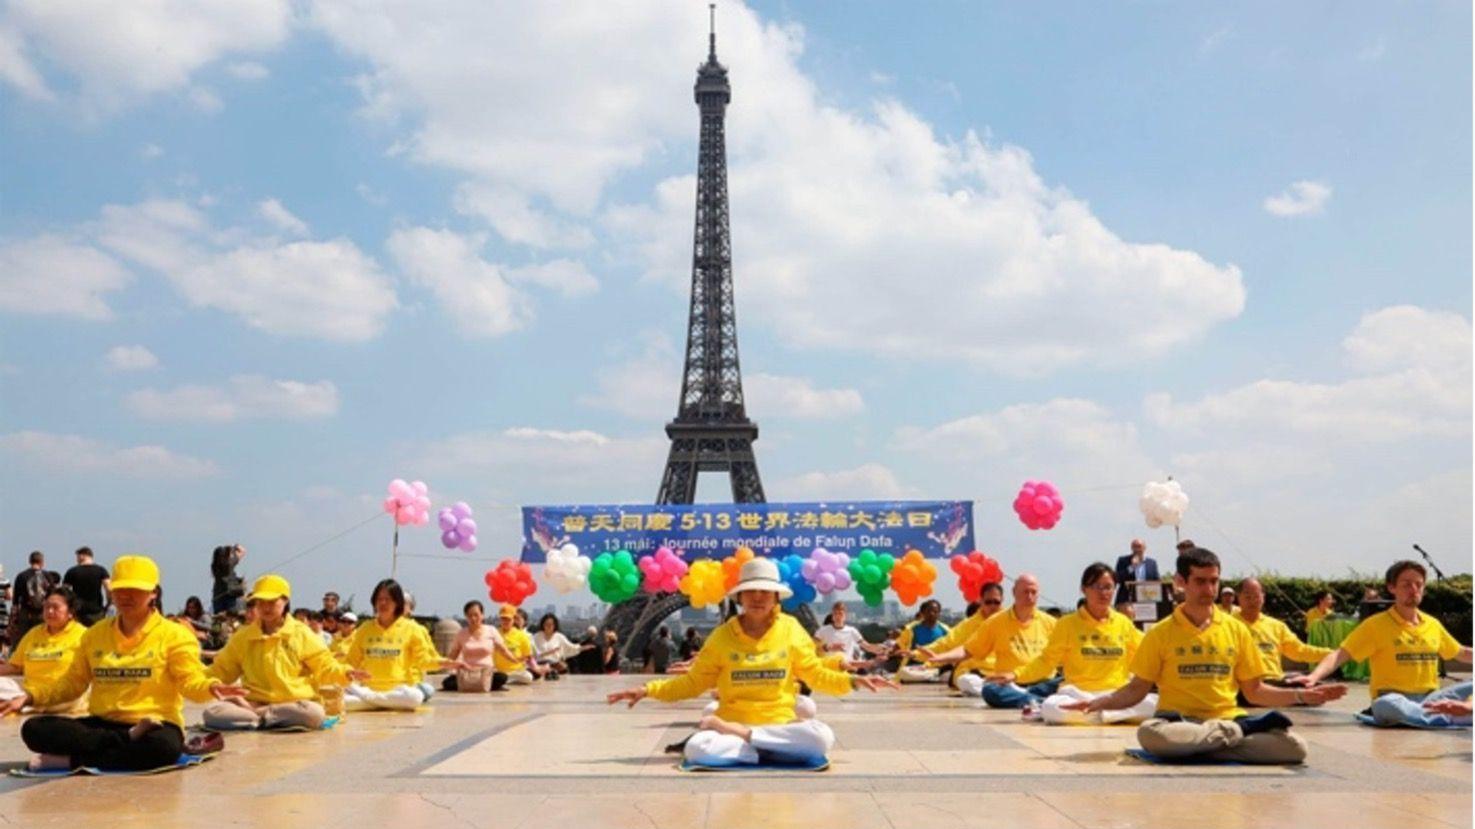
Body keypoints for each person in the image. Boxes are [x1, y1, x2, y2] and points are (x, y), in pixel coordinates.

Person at [1063, 548, 1346, 763]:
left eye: (1214, 581)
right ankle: (1225, 744)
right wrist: (1100, 702)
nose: (1209, 590)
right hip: (1178, 722)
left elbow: (1255, 691)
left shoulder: (1236, 630)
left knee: (1294, 747)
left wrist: (1301, 696)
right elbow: (1137, 689)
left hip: (1228, 718)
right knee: (1151, 736)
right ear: (1180, 582)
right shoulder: (1160, 633)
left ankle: (1208, 744)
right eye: (1200, 581)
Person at [607, 558, 896, 767]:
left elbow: (816, 674)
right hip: (739, 719)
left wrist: (853, 681)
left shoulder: (792, 629)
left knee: (822, 737)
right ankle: (767, 747)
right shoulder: (722, 637)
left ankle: (748, 739)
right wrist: (647, 689)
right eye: (751, 591)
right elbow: (693, 683)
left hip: (773, 723)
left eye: (765, 592)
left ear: (775, 597)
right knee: (697, 748)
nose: (758, 597)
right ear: (740, 597)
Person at [5, 555, 247, 771]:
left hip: (154, 724)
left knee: (163, 748)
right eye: (119, 589)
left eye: (135, 590)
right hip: (104, 724)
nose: (125, 596)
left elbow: (190, 680)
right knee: (34, 729)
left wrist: (211, 687)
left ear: (154, 593)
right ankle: (122, 742)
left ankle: (73, 760)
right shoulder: (94, 635)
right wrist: (29, 697)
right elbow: (72, 683)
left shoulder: (175, 635)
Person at [1296, 560, 1473, 728]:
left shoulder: (1432, 624)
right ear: (1392, 588)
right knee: (1386, 705)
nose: (1414, 590)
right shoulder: (1376, 625)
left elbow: (1462, 653)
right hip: (1393, 699)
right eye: (1406, 584)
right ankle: (1453, 717)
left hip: (1433, 699)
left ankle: (1439, 716)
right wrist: (1314, 677)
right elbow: (1341, 654)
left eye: (1419, 584)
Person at [991, 563, 1155, 724]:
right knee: (1051, 707)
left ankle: (1097, 713)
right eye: (1096, 586)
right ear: (1083, 589)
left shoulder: (1123, 623)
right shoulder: (1067, 624)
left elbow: (1149, 651)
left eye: (1108, 587)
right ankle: (1107, 715)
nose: (1103, 592)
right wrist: (1015, 675)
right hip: (1078, 693)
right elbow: (1046, 661)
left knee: (1154, 703)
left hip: (1115, 695)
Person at [203, 575, 361, 730]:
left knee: (314, 713)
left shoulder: (301, 633)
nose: (266, 607)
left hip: (293, 704)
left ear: (285, 601)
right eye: (261, 602)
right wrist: (195, 677)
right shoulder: (243, 637)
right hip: (255, 701)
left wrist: (345, 672)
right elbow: (222, 670)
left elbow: (324, 665)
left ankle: (256, 717)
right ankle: (265, 718)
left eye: (272, 602)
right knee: (212, 713)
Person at [924, 574, 1057, 707]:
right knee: (990, 691)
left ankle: (1029, 699)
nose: (1029, 596)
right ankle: (1039, 702)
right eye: (1025, 591)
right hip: (1010, 684)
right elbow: (968, 649)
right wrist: (942, 657)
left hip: (1044, 683)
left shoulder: (1051, 623)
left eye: (1033, 592)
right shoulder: (996, 622)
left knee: (1065, 682)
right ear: (1014, 592)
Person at [343, 579, 455, 710]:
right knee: (341, 696)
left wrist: (446, 662)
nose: (383, 603)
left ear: (397, 602)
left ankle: (371, 703)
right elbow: (351, 661)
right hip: (369, 688)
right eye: (379, 599)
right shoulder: (364, 629)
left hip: (398, 690)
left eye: (388, 599)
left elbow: (423, 661)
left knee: (415, 697)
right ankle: (378, 702)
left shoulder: (412, 628)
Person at [0, 585, 89, 714]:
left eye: (56, 607)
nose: (50, 611)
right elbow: (15, 666)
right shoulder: (34, 633)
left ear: (71, 612)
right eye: (47, 607)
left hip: (65, 699)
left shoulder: (83, 635)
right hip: (30, 694)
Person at [1235, 578, 1331, 686]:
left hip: (1274, 684)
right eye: (1247, 597)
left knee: (1315, 689)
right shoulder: (1228, 625)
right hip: (1243, 686)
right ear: (1238, 598)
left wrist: (1333, 654)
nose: (1252, 601)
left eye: (1256, 596)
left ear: (1263, 597)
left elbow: (1299, 651)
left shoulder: (1277, 626)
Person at [916, 583, 1005, 689]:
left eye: (996, 602)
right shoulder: (968, 625)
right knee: (967, 681)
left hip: (1002, 673)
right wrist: (916, 654)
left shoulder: (1010, 622)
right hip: (973, 673)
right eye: (988, 602)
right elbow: (946, 643)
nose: (992, 606)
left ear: (1002, 600)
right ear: (981, 600)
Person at [444, 601, 518, 692]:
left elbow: (503, 650)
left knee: (502, 677)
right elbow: (454, 653)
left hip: (486, 672)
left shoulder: (491, 630)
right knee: (447, 683)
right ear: (466, 617)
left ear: (482, 615)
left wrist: (515, 660)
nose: (473, 618)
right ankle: (482, 686)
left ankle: (481, 685)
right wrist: (444, 664)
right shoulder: (461, 633)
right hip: (468, 672)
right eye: (469, 615)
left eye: (476, 615)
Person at [893, 600, 951, 682]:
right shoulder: (911, 629)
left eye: (935, 611)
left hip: (938, 667)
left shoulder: (946, 630)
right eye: (929, 611)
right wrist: (901, 654)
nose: (932, 614)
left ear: (939, 613)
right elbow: (896, 648)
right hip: (915, 666)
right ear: (922, 613)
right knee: (905, 672)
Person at [12, 551, 61, 639]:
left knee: (25, 639)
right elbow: (53, 596)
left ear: (30, 561)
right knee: (42, 637)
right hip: (43, 613)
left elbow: (15, 599)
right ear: (42, 562)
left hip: (26, 613)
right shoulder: (47, 576)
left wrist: (14, 618)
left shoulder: (21, 576)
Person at [63, 547, 110, 626]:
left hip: (78, 611)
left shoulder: (72, 571)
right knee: (96, 635)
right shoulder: (101, 570)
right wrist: (109, 603)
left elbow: (64, 591)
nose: (77, 560)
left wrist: (69, 606)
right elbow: (108, 588)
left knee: (78, 635)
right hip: (96, 610)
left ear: (83, 556)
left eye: (77, 557)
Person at [494, 604, 539, 684]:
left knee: (528, 677)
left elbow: (527, 655)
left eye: (508, 619)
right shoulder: (494, 633)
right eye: (503, 619)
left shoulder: (521, 635)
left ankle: (505, 680)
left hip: (516, 671)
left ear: (513, 619)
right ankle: (504, 679)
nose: (505, 621)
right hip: (498, 670)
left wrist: (534, 666)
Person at [1113, 539, 1159, 613]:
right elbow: (1117, 579)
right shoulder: (1123, 560)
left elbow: (1157, 581)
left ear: (1144, 548)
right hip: (1126, 601)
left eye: (1139, 547)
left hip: (1147, 601)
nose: (1137, 549)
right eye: (1134, 547)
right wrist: (1132, 567)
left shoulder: (1152, 563)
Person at [210, 544, 247, 615]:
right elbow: (243, 551)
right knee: (233, 617)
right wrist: (234, 547)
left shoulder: (214, 567)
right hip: (231, 594)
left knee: (219, 619)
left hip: (218, 597)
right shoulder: (230, 564)